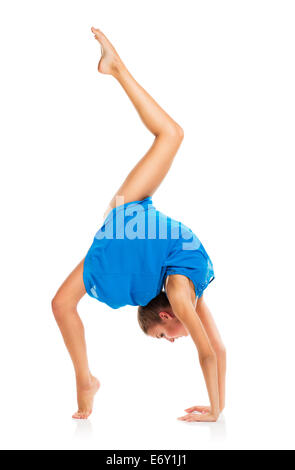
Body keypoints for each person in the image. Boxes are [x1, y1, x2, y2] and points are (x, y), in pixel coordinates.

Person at [52, 27, 226, 422]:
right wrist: (218, 410)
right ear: (166, 313)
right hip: (125, 219)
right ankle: (116, 67)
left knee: (172, 135)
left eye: (164, 337)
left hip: (127, 226)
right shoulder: (185, 293)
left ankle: (84, 381)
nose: (172, 341)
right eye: (166, 337)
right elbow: (212, 351)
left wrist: (217, 408)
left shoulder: (184, 291)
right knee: (62, 304)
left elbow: (212, 350)